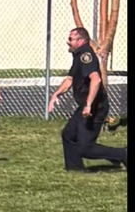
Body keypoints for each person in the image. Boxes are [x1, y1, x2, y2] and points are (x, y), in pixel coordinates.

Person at [48, 28, 127, 172]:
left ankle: (122, 154)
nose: (68, 42)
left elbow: (96, 80)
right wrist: (56, 94)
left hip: (96, 107)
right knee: (68, 135)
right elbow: (70, 79)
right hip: (86, 105)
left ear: (81, 40)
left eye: (71, 39)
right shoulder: (78, 55)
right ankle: (74, 169)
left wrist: (89, 105)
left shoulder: (86, 55)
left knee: (85, 148)